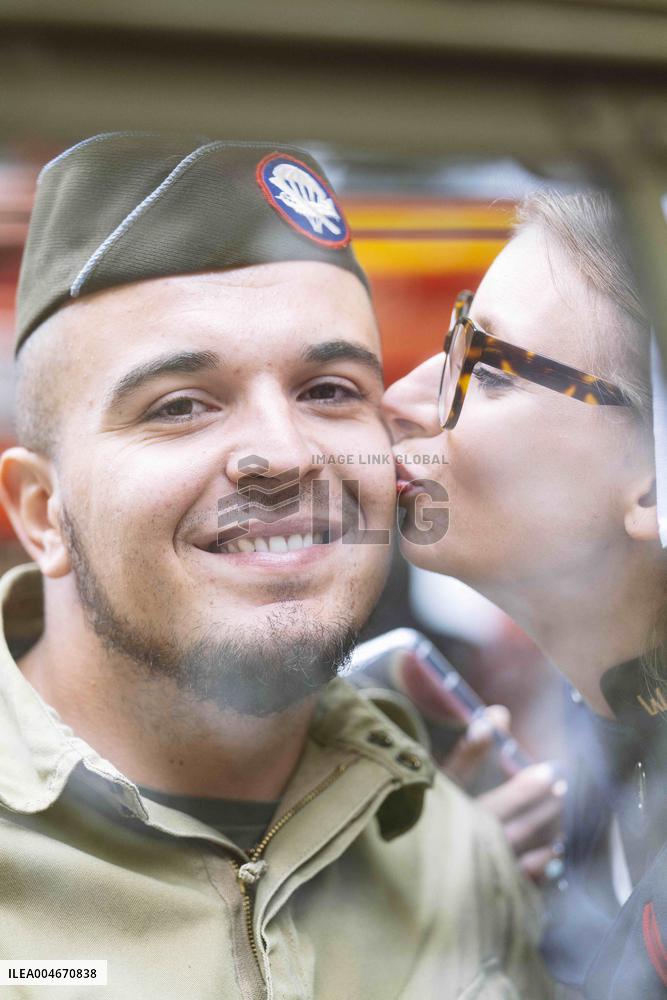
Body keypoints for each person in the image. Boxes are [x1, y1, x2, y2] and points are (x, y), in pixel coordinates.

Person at [0, 133, 552, 999]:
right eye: (180, 406)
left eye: (329, 389)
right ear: (42, 513)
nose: (284, 455)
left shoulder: (452, 854)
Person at [382, 189, 667, 998]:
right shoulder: (608, 736)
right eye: (452, 344)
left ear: (653, 483)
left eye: (490, 369)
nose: (403, 396)